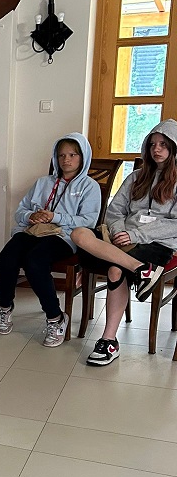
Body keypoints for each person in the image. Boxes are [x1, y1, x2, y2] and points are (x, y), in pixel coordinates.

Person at [71, 120, 177, 366]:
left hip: (158, 243)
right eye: (152, 144)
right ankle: (142, 271)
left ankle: (109, 341)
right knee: (79, 234)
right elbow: (114, 212)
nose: (156, 149)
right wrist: (120, 232)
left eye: (163, 144)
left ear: (174, 147)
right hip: (122, 239)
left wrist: (136, 235)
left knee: (115, 269)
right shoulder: (136, 177)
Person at [0, 133, 100, 346]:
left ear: (83, 157)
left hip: (65, 236)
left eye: (72, 154)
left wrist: (55, 217)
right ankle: (5, 307)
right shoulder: (42, 182)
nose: (66, 159)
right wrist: (31, 216)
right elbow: (20, 211)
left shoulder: (89, 186)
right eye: (61, 155)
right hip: (34, 231)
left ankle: (55, 317)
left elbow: (88, 221)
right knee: (6, 259)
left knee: (35, 261)